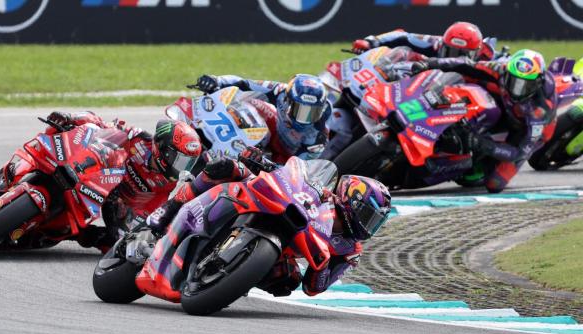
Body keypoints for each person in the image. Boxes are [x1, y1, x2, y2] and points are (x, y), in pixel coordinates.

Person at [147, 148, 392, 297]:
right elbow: (292, 178)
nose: (368, 225)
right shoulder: (325, 192)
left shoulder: (350, 249)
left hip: (282, 249)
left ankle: (230, 277)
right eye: (368, 216)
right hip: (270, 201)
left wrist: (324, 266)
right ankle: (170, 209)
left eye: (375, 222)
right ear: (351, 200)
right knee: (225, 167)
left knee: (287, 281)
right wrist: (260, 161)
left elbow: (314, 288)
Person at [45, 112, 202, 252]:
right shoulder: (137, 137)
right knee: (93, 140)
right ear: (162, 148)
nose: (181, 168)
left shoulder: (166, 184)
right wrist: (72, 119)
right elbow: (100, 124)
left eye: (188, 163)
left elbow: (146, 215)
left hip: (110, 201)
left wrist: (125, 215)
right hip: (92, 173)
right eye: (179, 160)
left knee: (122, 242)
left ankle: (80, 234)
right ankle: (56, 167)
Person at [414, 49, 557, 193]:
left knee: (495, 184)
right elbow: (467, 64)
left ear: (538, 83)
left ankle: (478, 160)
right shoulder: (501, 69)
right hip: (505, 101)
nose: (516, 90)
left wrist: (483, 144)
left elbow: (518, 153)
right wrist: (428, 64)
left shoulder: (540, 111)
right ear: (507, 72)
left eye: (525, 86)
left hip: (525, 129)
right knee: (469, 77)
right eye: (513, 81)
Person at [195, 73, 330, 162]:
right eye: (301, 111)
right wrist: (218, 81)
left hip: (285, 159)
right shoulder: (280, 91)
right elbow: (245, 83)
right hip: (275, 130)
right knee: (254, 104)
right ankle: (211, 130)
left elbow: (298, 172)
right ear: (288, 101)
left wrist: (265, 163)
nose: (305, 119)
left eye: (313, 112)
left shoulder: (317, 140)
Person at [351, 22, 495, 61]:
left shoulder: (487, 58)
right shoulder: (434, 43)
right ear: (442, 46)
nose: (454, 59)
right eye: (450, 51)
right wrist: (372, 42)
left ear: (475, 54)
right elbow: (402, 35)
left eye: (461, 55)